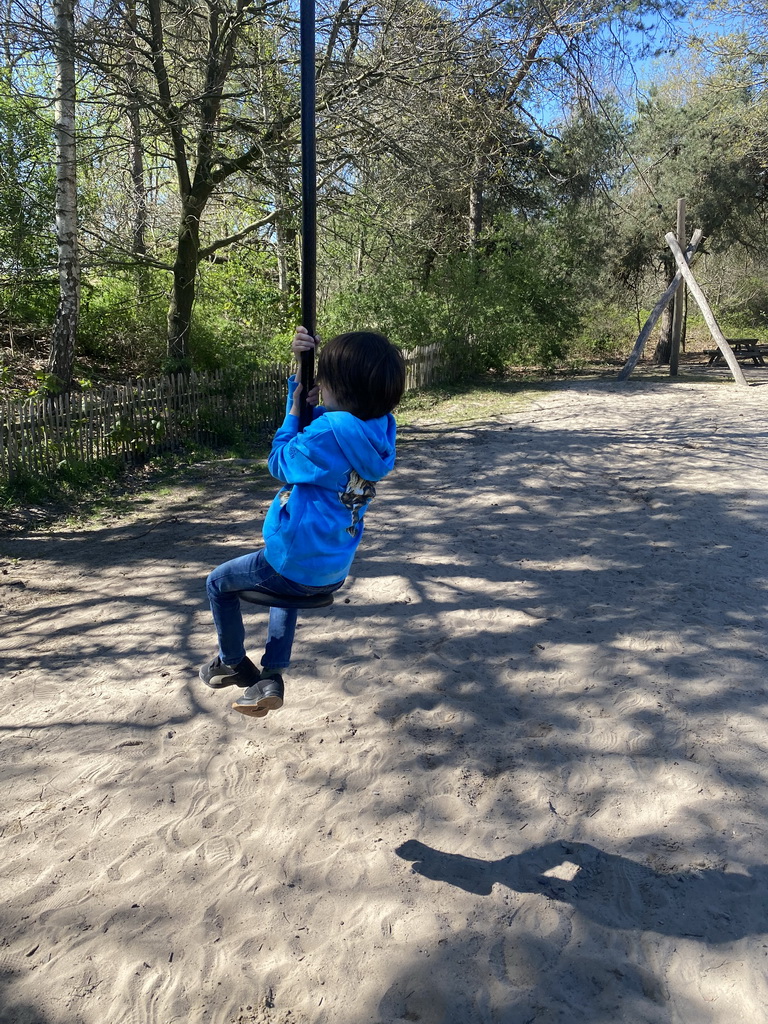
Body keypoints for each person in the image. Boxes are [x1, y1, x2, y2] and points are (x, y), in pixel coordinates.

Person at [199, 325, 406, 718]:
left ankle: (232, 662)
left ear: (334, 385)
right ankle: (271, 674)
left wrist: (295, 406)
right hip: (331, 570)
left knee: (219, 583)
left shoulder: (326, 432)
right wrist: (304, 377)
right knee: (286, 593)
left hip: (291, 559)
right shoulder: (379, 428)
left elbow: (280, 462)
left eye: (322, 377)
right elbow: (333, 437)